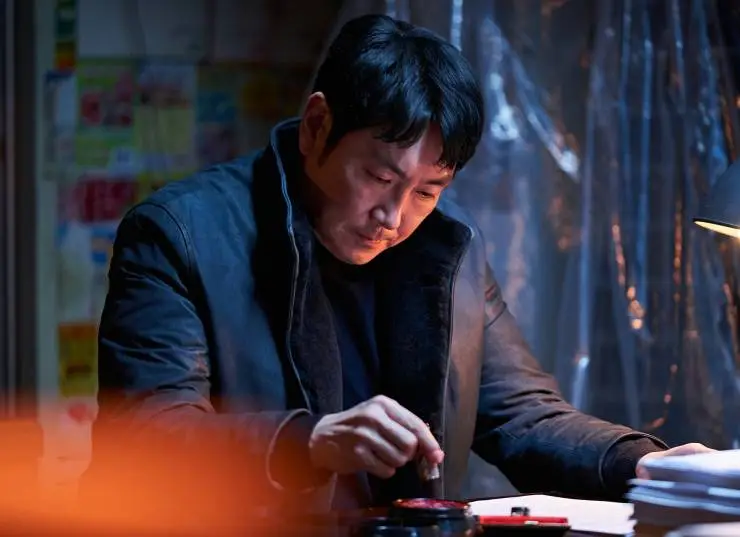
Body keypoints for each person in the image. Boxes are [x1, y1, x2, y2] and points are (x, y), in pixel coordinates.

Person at [91, 14, 712, 513]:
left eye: (427, 190)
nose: (393, 216)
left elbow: (523, 415)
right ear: (316, 127)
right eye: (379, 176)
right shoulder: (179, 234)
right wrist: (310, 441)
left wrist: (644, 464)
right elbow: (147, 439)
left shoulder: (448, 249)